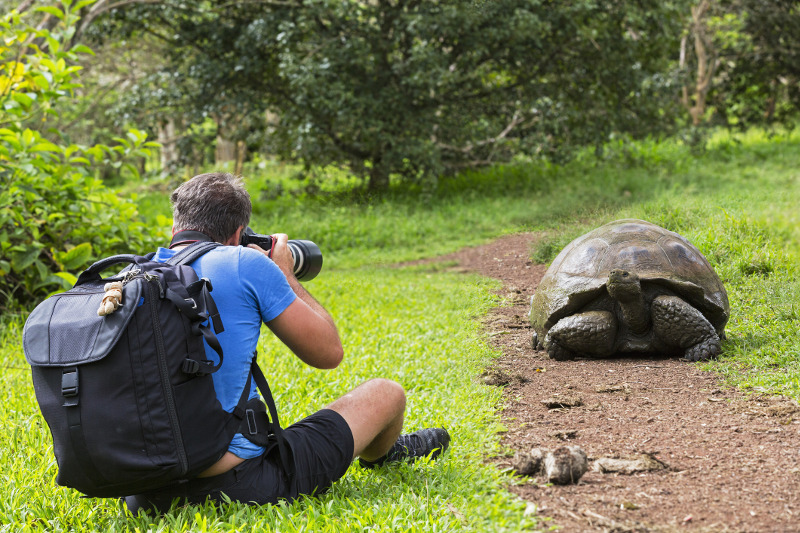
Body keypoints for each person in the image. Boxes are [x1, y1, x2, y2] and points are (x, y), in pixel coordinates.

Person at [124, 172, 450, 513]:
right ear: (238, 233)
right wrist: (285, 273)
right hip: (237, 482)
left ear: (176, 229)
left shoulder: (131, 277)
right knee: (387, 393)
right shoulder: (243, 263)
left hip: (143, 489)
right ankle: (385, 453)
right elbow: (328, 352)